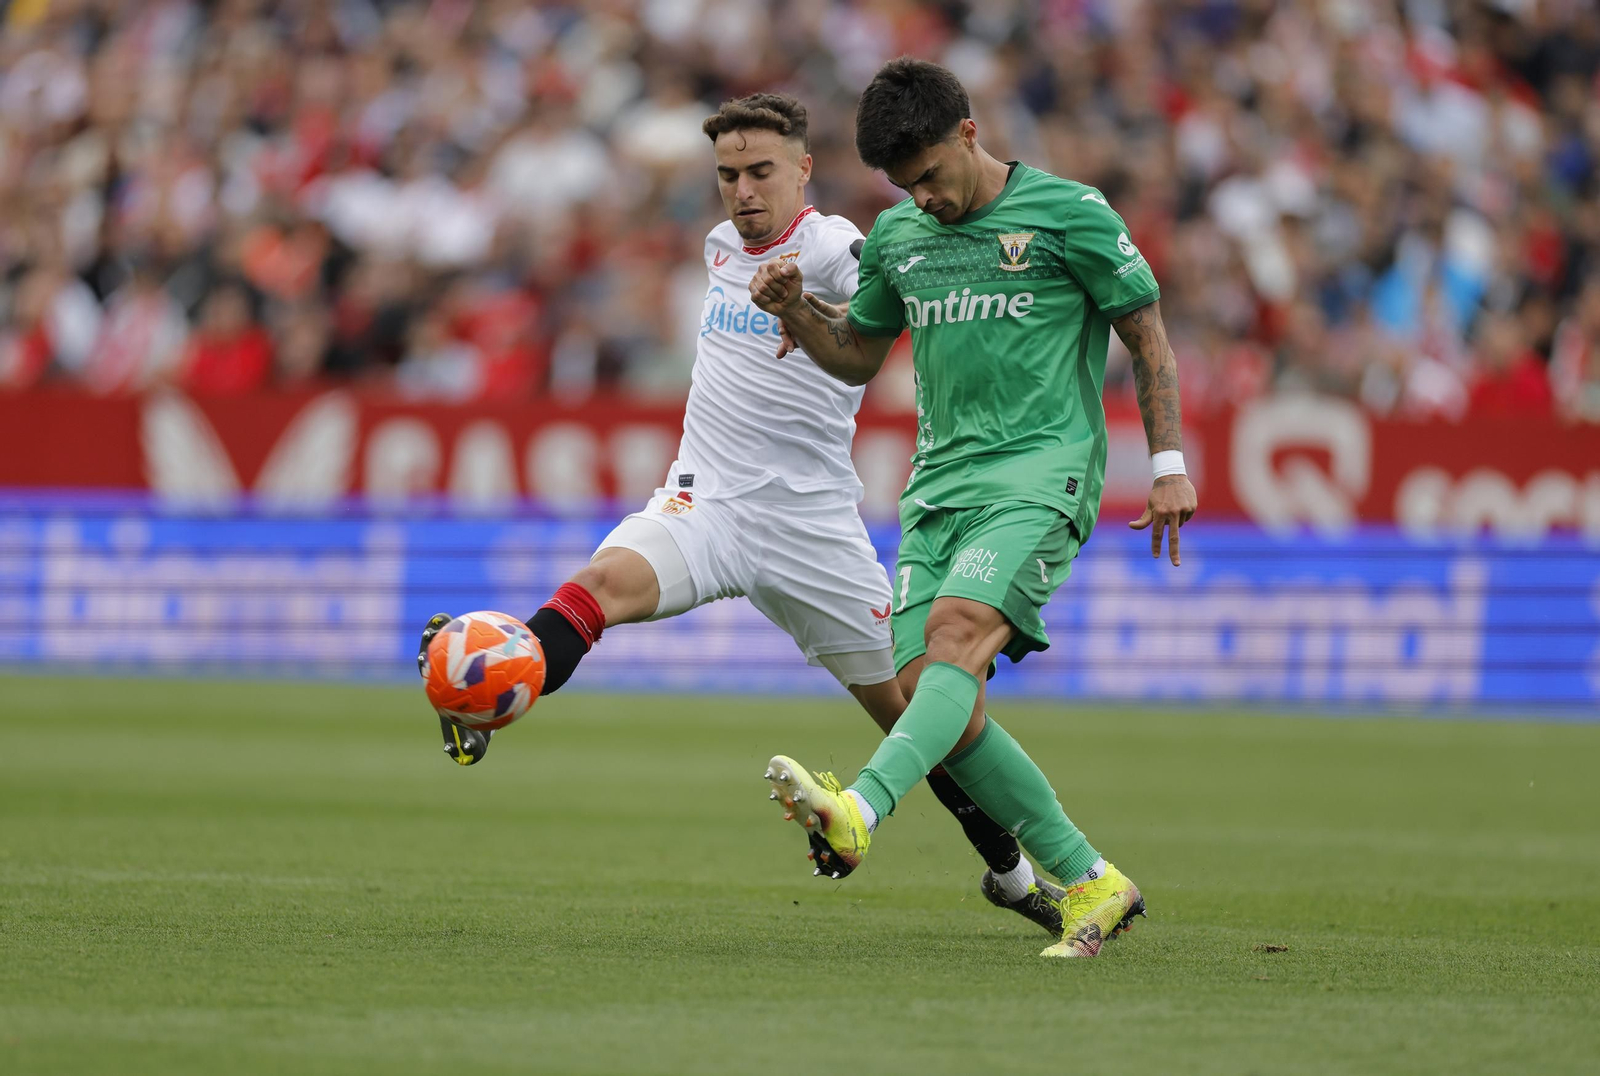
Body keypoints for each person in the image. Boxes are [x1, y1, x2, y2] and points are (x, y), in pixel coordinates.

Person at [421, 92, 1067, 937]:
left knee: (916, 714)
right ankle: (500, 688)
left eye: (760, 171)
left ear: (802, 168)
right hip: (709, 502)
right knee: (600, 584)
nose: (742, 191)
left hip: (813, 530)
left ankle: (1012, 873)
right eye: (727, 174)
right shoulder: (720, 246)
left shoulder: (837, 246)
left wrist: (816, 308)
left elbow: (896, 304)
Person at [749, 59, 1198, 959]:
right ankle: (1093, 882)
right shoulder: (898, 239)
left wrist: (1168, 464)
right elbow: (856, 355)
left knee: (956, 635)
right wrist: (800, 311)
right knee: (933, 698)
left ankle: (859, 809)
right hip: (938, 489)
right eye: (903, 185)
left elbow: (1144, 330)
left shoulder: (1071, 213)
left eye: (930, 176)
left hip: (1042, 474)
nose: (925, 198)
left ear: (967, 133)